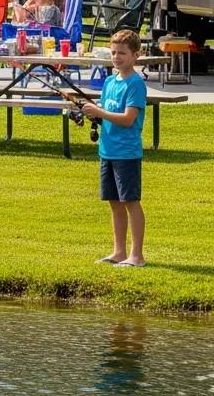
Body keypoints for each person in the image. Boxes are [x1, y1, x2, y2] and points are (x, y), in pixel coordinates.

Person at [81, 29, 147, 268]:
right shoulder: (110, 81)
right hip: (106, 150)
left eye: (122, 53)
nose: (116, 57)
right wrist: (92, 114)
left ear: (135, 55)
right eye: (113, 52)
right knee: (114, 202)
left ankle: (137, 256)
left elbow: (128, 118)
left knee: (130, 201)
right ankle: (119, 252)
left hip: (126, 152)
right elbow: (106, 114)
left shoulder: (135, 84)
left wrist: (99, 112)